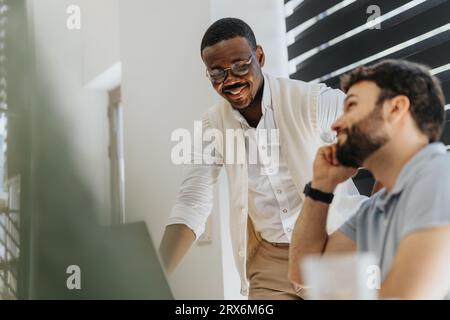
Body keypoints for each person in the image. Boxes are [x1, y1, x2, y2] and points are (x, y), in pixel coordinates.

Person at [159, 17, 365, 299]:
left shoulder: (311, 101)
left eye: (240, 66)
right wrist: (156, 279)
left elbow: (382, 140)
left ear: (259, 56)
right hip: (269, 266)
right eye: (217, 73)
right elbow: (192, 202)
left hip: (330, 251)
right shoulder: (212, 126)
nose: (230, 80)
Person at [288, 59, 450, 299]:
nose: (336, 124)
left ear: (395, 109)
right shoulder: (374, 211)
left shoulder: (439, 177)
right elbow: (305, 274)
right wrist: (322, 186)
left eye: (351, 106)